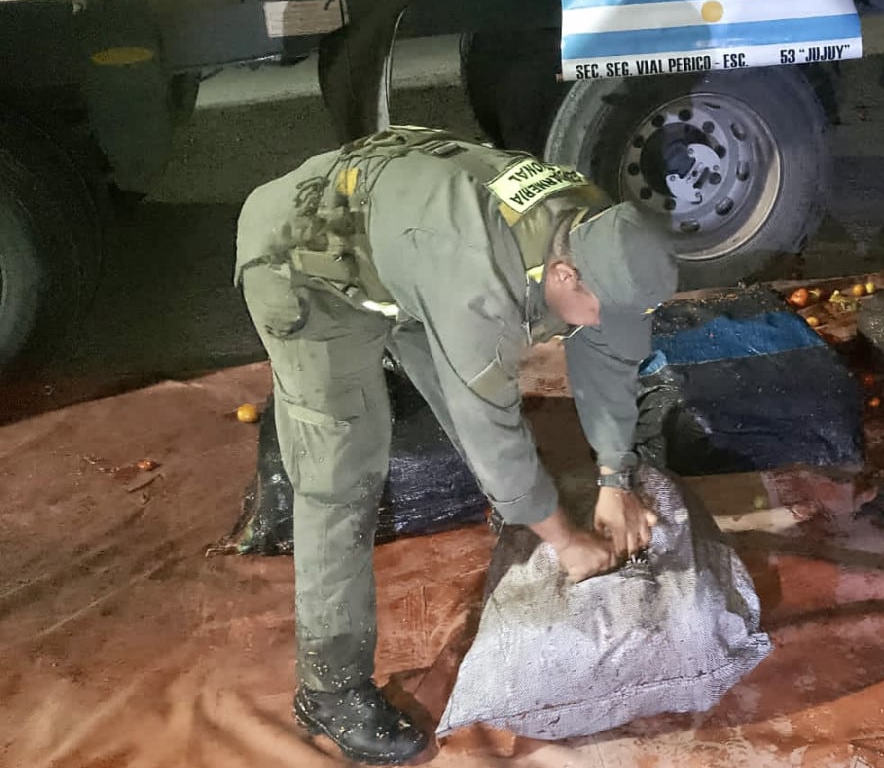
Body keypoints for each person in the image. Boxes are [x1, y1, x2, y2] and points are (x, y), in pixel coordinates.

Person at [234, 124, 678, 764]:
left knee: (478, 408)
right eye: (602, 306)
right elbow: (488, 423)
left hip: (404, 254)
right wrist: (568, 541)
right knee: (342, 477)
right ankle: (329, 689)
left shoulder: (599, 235)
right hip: (302, 262)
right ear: (563, 271)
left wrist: (615, 478)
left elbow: (611, 352)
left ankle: (522, 518)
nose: (609, 321)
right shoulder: (479, 280)